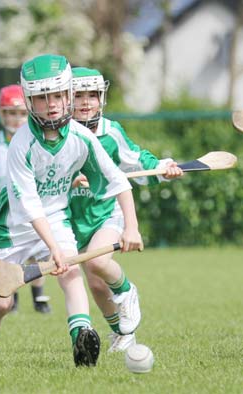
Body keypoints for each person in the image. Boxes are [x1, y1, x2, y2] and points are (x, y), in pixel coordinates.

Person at [0, 54, 143, 368]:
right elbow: (30, 206)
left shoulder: (81, 137)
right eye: (42, 98)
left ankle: (81, 339)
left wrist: (131, 227)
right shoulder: (21, 144)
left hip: (57, 218)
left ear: (68, 95)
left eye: (58, 95)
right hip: (13, 226)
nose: (52, 104)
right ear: (30, 101)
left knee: (71, 275)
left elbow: (117, 180)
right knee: (1, 302)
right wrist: (51, 249)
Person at [70, 67, 183, 352]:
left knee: (98, 263)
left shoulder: (110, 132)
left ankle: (126, 291)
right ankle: (121, 332)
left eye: (92, 95)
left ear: (101, 98)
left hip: (108, 212)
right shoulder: (61, 136)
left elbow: (136, 158)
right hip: (76, 218)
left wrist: (161, 166)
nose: (86, 102)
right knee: (95, 284)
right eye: (78, 95)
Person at [0, 84, 51, 314]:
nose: (16, 119)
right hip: (4, 213)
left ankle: (40, 297)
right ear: (1, 113)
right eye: (10, 113)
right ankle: (11, 297)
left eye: (21, 113)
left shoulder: (36, 143)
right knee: (8, 257)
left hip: (31, 209)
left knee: (37, 254)